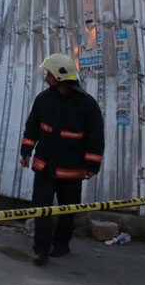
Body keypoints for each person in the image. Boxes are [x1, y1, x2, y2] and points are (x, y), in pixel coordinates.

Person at [19, 53, 105, 266]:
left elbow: (95, 138)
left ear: (59, 76)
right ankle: (41, 249)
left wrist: (91, 165)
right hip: (45, 167)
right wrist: (26, 152)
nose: (46, 77)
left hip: (72, 170)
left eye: (48, 73)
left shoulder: (87, 105)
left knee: (68, 210)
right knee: (42, 209)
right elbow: (32, 128)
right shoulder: (43, 100)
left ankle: (61, 245)